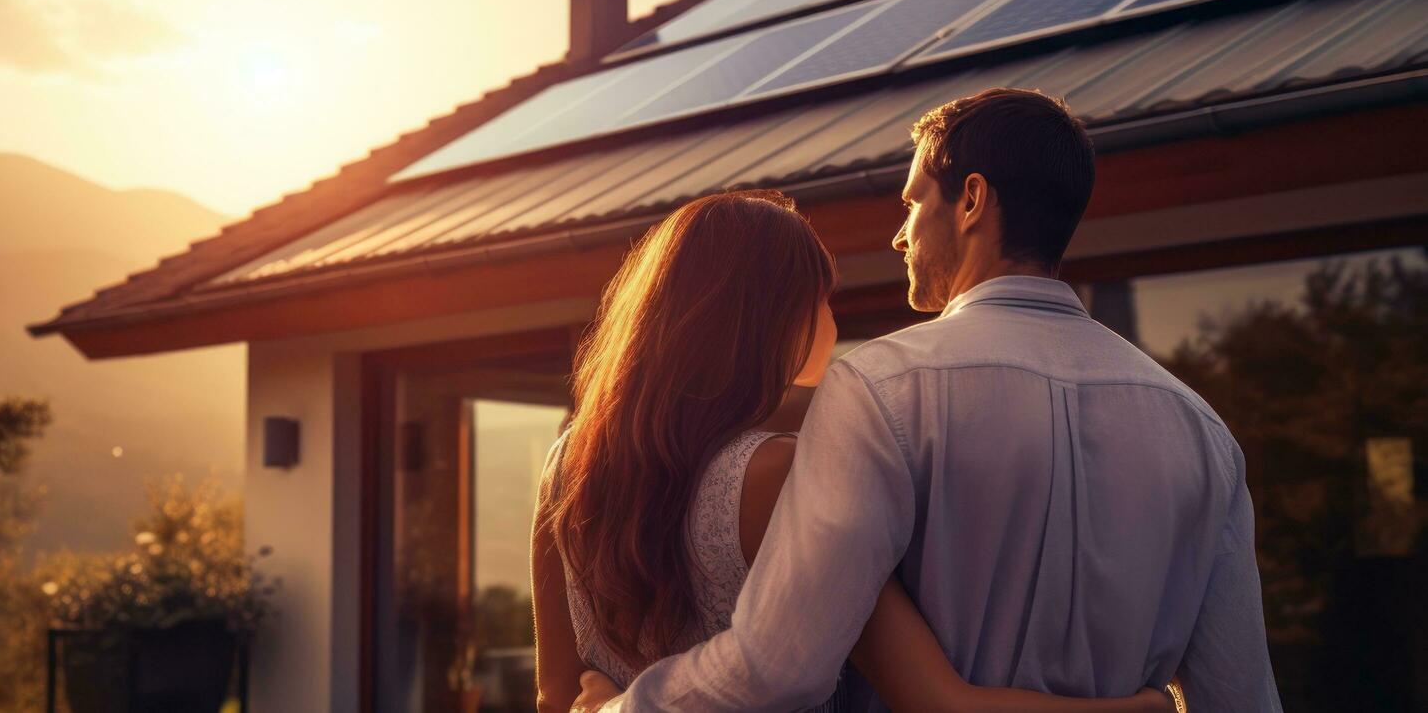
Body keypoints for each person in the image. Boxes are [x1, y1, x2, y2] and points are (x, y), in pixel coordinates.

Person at [572, 87, 1279, 712]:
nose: (899, 233)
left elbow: (779, 666)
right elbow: (1237, 696)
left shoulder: (881, 388)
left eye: (913, 201)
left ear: (970, 200)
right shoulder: (1198, 429)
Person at [534, 188, 1173, 713]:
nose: (833, 324)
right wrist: (1137, 709)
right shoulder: (776, 474)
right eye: (822, 300)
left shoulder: (568, 466)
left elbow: (555, 696)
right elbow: (934, 699)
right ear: (770, 320)